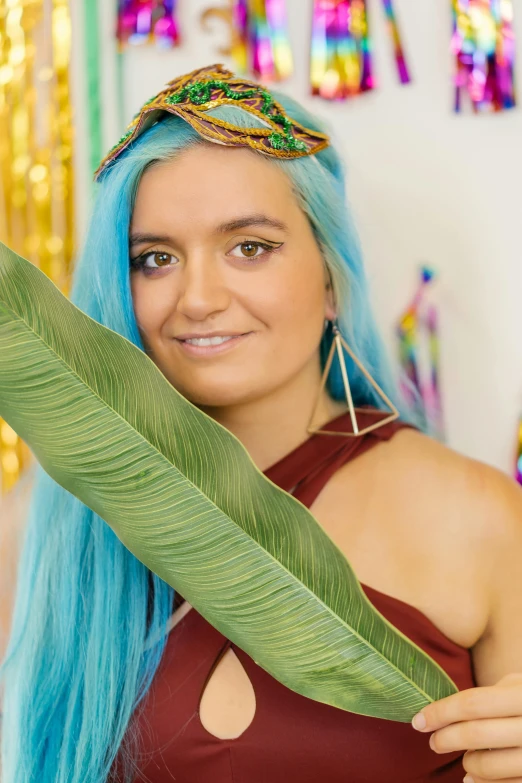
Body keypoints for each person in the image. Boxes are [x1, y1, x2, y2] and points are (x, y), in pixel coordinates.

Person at [1, 64, 522, 783]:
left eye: (249, 246)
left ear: (332, 277)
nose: (199, 297)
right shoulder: (60, 527)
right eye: (155, 259)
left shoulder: (479, 517)